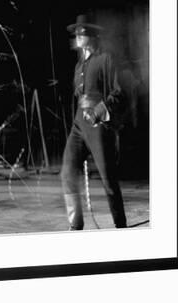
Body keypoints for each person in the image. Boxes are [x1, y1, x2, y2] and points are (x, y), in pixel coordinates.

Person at [61, 14, 127, 230]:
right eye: (77, 33)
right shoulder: (79, 65)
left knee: (108, 180)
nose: (78, 36)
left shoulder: (106, 59)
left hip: (98, 127)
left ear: (92, 36)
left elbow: (119, 92)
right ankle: (75, 225)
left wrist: (98, 109)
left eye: (83, 32)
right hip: (79, 126)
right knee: (68, 172)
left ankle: (120, 226)